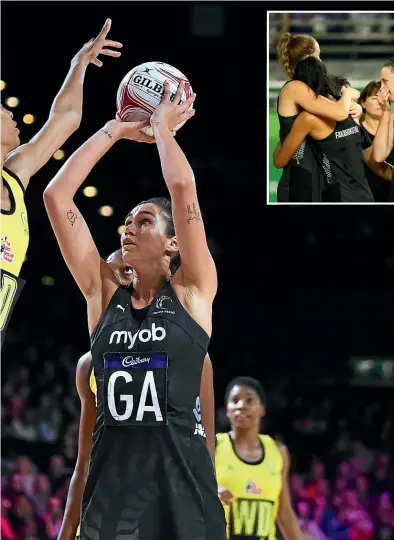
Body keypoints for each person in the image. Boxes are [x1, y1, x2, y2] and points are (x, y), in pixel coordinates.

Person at [43, 81, 226, 539]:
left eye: (144, 221)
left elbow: (182, 186)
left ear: (172, 243)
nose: (128, 228)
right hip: (111, 508)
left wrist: (163, 130)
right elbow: (56, 196)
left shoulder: (193, 292)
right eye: (126, 221)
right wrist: (114, 130)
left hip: (184, 505)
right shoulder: (103, 296)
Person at [0, 18, 122, 345]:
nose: (10, 112)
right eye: (1, 108)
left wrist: (78, 64)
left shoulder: (14, 174)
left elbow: (66, 119)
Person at [273, 57, 390, 202]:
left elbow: (278, 161)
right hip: (359, 196)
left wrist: (287, 131)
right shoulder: (349, 115)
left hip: (345, 198)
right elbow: (373, 159)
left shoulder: (309, 119)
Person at [216, 376, 304, 540]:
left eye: (250, 400)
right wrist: (211, 492)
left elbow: (284, 513)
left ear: (262, 409)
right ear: (227, 410)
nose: (241, 406)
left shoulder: (278, 452)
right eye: (234, 401)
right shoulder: (214, 446)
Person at [275, 32, 356, 202]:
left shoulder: (309, 89)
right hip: (301, 184)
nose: (321, 61)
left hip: (320, 178)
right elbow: (340, 112)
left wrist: (356, 107)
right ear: (310, 57)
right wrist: (347, 93)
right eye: (318, 55)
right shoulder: (295, 88)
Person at [358, 81, 394, 201]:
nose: (380, 102)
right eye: (375, 98)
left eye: (383, 98)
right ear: (363, 103)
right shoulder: (355, 132)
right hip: (367, 199)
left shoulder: (392, 131)